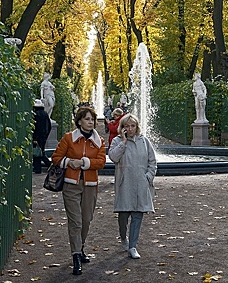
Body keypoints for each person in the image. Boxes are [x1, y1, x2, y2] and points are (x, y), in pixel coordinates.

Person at [51, 106, 106, 275]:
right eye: (87, 119)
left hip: (90, 185)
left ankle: (80, 248)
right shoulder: (68, 138)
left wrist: (83, 162)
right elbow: (56, 158)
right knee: (75, 221)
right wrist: (69, 162)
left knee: (86, 220)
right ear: (79, 121)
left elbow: (101, 162)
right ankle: (76, 255)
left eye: (92, 119)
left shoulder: (99, 141)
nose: (91, 122)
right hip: (71, 184)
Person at [108, 114, 157, 260]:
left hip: (141, 184)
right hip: (125, 184)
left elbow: (153, 162)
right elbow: (113, 157)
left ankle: (133, 246)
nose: (130, 129)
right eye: (127, 126)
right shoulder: (117, 141)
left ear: (137, 127)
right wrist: (123, 142)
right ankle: (124, 238)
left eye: (132, 126)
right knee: (123, 216)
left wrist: (148, 176)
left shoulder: (144, 141)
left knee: (138, 215)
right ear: (122, 128)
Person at [33, 99, 52, 173]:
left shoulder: (36, 114)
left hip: (37, 136)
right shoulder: (45, 114)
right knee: (40, 151)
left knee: (37, 152)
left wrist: (35, 138)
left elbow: (36, 127)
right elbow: (49, 126)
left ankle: (46, 166)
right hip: (44, 136)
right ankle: (38, 168)